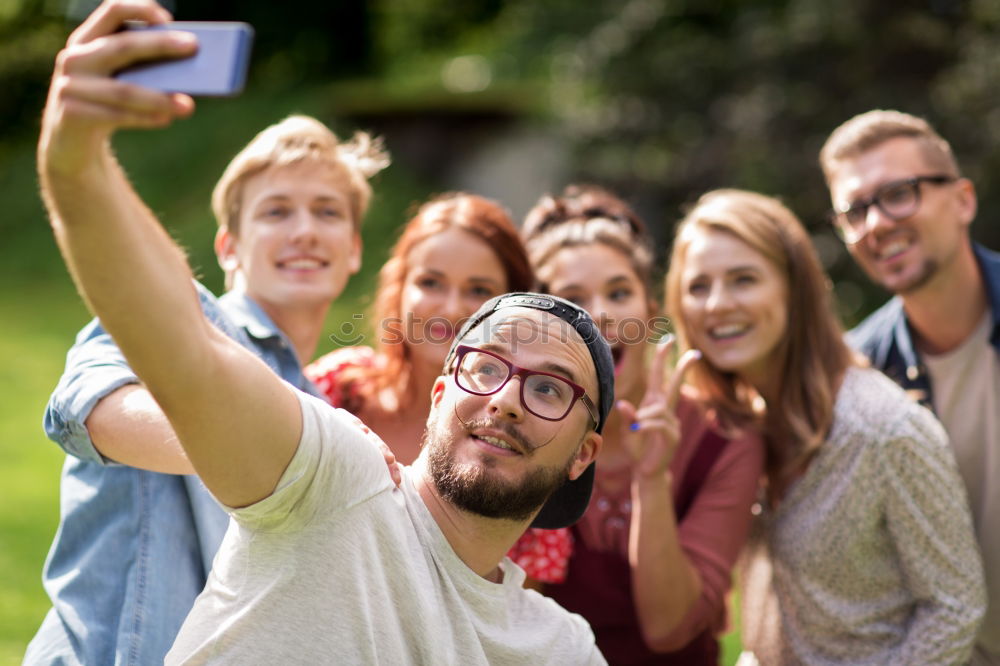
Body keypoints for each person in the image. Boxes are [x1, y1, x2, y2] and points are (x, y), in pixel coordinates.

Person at [37, 3, 609, 662]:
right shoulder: (332, 461)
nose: (508, 396)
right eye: (278, 211)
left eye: (549, 389)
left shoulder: (562, 645)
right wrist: (76, 163)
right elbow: (146, 370)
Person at [25, 28, 389, 666]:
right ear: (228, 247)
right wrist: (253, 445)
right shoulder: (186, 315)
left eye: (328, 212)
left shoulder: (320, 405)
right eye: (276, 211)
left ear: (354, 248)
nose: (304, 230)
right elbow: (87, 404)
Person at [663, 189, 985, 664]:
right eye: (698, 287)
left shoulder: (882, 429)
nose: (716, 304)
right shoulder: (737, 429)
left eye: (743, 280)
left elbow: (954, 608)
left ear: (794, 288)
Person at [510, 185, 763, 664]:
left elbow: (669, 630)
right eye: (572, 297)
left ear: (650, 310)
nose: (600, 313)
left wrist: (652, 479)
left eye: (619, 292)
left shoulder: (726, 439)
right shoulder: (519, 429)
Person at [820, 109, 999, 665]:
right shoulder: (855, 374)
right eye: (855, 210)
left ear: (963, 200)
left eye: (898, 194)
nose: (875, 224)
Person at [306, 192, 533, 464]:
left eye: (478, 290)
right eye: (431, 283)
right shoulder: (337, 387)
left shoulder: (517, 429)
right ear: (399, 287)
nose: (451, 309)